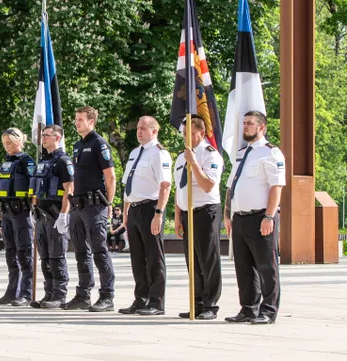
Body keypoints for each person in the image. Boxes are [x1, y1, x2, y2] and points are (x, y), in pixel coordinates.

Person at [224, 111, 285, 325]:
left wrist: (269, 216)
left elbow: (276, 187)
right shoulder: (242, 153)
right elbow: (231, 186)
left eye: (249, 123)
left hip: (261, 217)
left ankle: (268, 310)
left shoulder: (271, 153)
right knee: (244, 266)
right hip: (240, 218)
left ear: (262, 127)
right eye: (243, 123)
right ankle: (248, 308)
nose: (245, 127)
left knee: (266, 266)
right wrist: (227, 215)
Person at [65, 106, 117, 312]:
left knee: (99, 250)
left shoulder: (99, 144)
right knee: (80, 251)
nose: (77, 123)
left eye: (80, 119)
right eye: (76, 119)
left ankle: (107, 296)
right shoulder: (78, 145)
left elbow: (110, 177)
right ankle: (83, 294)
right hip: (78, 205)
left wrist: (109, 204)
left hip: (95, 205)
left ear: (91, 122)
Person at [120, 116, 172, 316]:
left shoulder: (159, 154)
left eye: (143, 128)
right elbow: (128, 185)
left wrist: (159, 213)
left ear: (154, 131)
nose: (139, 132)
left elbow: (165, 186)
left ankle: (156, 302)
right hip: (134, 208)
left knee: (153, 257)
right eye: (138, 128)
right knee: (137, 257)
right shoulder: (135, 153)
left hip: (151, 208)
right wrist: (125, 211)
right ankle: (140, 299)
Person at [174, 116, 224, 320]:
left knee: (208, 258)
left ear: (201, 133)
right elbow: (179, 189)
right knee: (192, 260)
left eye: (190, 133)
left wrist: (194, 163)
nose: (185, 137)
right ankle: (197, 302)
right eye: (183, 133)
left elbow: (208, 185)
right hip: (187, 212)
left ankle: (211, 304)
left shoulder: (210, 155)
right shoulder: (180, 157)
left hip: (205, 211)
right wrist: (177, 217)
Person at [30, 124, 74, 309]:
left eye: (47, 135)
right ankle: (48, 293)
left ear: (57, 137)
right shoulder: (43, 161)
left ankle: (59, 295)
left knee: (56, 256)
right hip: (41, 215)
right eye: (43, 135)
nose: (43, 138)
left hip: (56, 213)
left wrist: (64, 215)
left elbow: (69, 189)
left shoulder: (63, 161)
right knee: (45, 257)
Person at [0, 128, 35, 307]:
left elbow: (34, 185)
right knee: (10, 253)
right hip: (7, 213)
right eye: (4, 144)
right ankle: (12, 291)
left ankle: (26, 293)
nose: (6, 147)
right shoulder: (6, 164)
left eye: (9, 143)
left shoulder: (27, 161)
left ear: (18, 141)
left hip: (22, 212)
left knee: (24, 252)